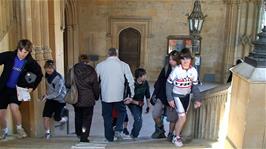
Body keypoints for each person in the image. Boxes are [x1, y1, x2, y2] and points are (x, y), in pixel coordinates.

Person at [0, 39, 43, 139]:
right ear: (18, 49)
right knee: (1, 113)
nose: (23, 54)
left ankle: (19, 128)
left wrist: (32, 87)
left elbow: (39, 74)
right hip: (3, 88)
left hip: (17, 90)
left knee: (14, 108)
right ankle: (3, 130)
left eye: (26, 52)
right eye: (22, 52)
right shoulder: (9, 56)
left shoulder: (30, 62)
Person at [96, 48, 135, 142]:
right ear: (117, 54)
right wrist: (131, 95)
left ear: (108, 54)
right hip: (119, 95)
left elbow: (95, 82)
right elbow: (130, 81)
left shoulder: (100, 65)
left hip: (105, 95)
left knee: (107, 116)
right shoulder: (124, 65)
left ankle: (109, 137)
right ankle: (118, 129)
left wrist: (96, 94)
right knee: (122, 112)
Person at [166, 48, 202, 147]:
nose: (185, 61)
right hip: (176, 96)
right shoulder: (176, 70)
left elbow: (194, 86)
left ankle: (175, 134)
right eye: (183, 59)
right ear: (180, 60)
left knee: (182, 118)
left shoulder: (194, 71)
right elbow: (168, 84)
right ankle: (176, 137)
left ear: (191, 59)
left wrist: (198, 99)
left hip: (187, 97)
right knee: (182, 117)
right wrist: (170, 98)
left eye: (187, 58)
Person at [68, 54, 100, 143]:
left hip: (76, 97)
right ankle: (84, 136)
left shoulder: (73, 70)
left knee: (78, 115)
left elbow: (67, 83)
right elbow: (95, 85)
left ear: (79, 60)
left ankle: (79, 133)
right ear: (88, 61)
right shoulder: (91, 70)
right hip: (88, 98)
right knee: (87, 118)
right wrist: (97, 96)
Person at [151, 50, 179, 141]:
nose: (170, 61)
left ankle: (170, 134)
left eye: (172, 60)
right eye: (169, 59)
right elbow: (159, 82)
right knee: (155, 114)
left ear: (177, 60)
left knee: (172, 118)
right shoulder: (166, 68)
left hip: (174, 97)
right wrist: (155, 94)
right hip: (162, 96)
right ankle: (161, 129)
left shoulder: (181, 70)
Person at [42, 60, 68, 139]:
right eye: (47, 68)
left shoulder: (58, 78)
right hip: (50, 99)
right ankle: (47, 133)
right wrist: (46, 94)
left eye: (50, 68)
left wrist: (47, 96)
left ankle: (63, 119)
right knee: (46, 116)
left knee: (57, 118)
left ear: (54, 68)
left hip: (60, 100)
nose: (48, 70)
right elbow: (50, 87)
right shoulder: (46, 76)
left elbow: (57, 92)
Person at [124, 68, 151, 139]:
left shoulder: (145, 83)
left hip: (139, 103)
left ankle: (133, 135)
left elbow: (147, 95)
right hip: (132, 103)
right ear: (139, 76)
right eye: (144, 75)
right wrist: (135, 102)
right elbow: (127, 98)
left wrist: (148, 105)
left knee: (139, 121)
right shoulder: (132, 83)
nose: (146, 77)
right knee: (138, 119)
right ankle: (133, 136)